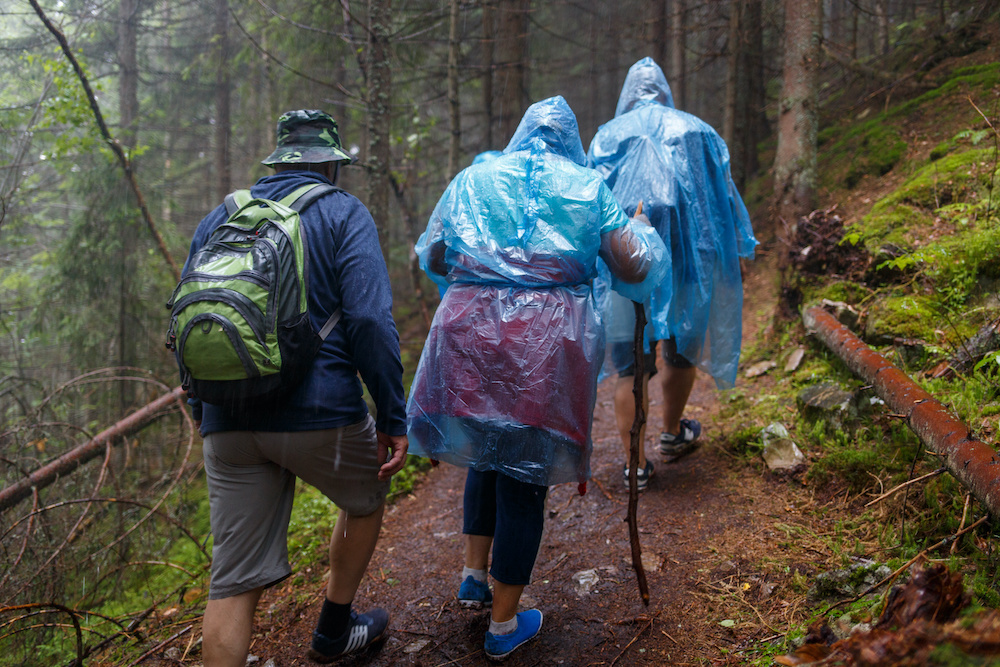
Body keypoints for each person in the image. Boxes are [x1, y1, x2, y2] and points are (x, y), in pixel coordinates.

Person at [406, 96, 666, 661]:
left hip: (468, 332)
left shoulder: (475, 178)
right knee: (523, 470)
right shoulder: (588, 188)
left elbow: (432, 254)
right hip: (544, 343)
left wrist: (488, 268)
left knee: (483, 451)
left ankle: (475, 574)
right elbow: (635, 266)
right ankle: (503, 626)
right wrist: (640, 228)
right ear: (571, 141)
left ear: (520, 132)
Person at [183, 110, 409, 666]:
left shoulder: (223, 215)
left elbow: (192, 318)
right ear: (332, 164)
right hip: (322, 414)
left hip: (227, 421)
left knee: (232, 582)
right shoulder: (342, 212)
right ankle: (334, 630)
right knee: (364, 501)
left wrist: (200, 405)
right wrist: (391, 415)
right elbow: (371, 321)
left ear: (278, 160)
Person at [588, 57, 758, 490]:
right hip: (687, 263)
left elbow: (587, 201)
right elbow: (723, 195)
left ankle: (634, 463)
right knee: (680, 348)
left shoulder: (607, 137)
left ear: (626, 94)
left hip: (624, 263)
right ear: (666, 91)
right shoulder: (698, 130)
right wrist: (740, 242)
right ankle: (671, 431)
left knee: (630, 366)